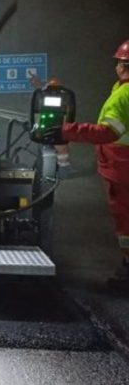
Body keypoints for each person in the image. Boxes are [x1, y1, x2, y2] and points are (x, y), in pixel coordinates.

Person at [56, 40, 129, 292]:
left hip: (123, 169)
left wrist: (66, 130)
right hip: (121, 166)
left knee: (125, 223)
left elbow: (108, 132)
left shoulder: (123, 95)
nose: (118, 67)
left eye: (121, 63)